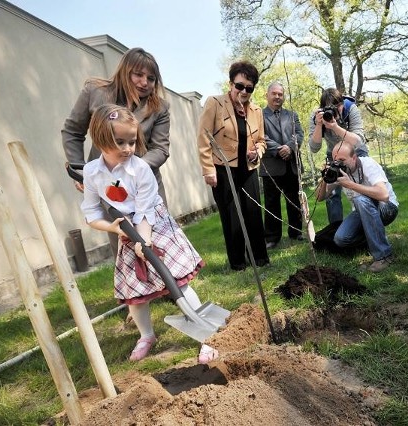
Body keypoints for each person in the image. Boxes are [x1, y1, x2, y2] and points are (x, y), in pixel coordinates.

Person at [81, 104, 217, 364]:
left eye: (131, 142)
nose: (127, 148)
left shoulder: (140, 169)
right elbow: (91, 212)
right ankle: (146, 335)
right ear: (100, 138)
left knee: (176, 281)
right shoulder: (92, 172)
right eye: (119, 142)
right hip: (126, 231)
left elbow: (144, 210)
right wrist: (112, 227)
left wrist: (145, 241)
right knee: (134, 290)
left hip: (154, 225)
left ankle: (205, 334)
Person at [62, 47, 171, 257]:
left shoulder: (160, 107)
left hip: (147, 184)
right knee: (124, 242)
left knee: (157, 242)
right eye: (138, 74)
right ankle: (135, 290)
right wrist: (81, 169)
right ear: (125, 71)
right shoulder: (95, 92)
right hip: (109, 187)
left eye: (151, 77)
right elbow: (72, 131)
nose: (144, 82)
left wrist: (135, 171)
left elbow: (160, 148)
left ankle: (172, 289)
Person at [196, 61, 269, 271]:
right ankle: (238, 263)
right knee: (232, 217)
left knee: (253, 213)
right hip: (223, 169)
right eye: (239, 85)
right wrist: (208, 170)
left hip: (249, 169)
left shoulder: (256, 111)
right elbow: (203, 138)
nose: (244, 91)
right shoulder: (214, 103)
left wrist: (259, 152)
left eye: (249, 88)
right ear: (230, 84)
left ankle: (260, 259)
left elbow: (262, 140)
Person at [316, 141, 398, 273]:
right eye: (335, 160)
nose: (338, 164)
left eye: (342, 160)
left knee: (360, 200)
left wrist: (350, 185)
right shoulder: (339, 171)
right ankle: (372, 240)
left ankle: (384, 255)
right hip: (361, 211)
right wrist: (325, 179)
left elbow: (384, 195)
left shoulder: (368, 164)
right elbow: (320, 197)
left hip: (387, 208)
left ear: (354, 157)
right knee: (341, 239)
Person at [309, 88, 369, 224]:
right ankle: (335, 229)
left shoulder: (350, 109)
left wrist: (335, 127)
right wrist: (319, 125)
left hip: (356, 152)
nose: (334, 111)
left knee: (364, 186)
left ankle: (367, 220)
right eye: (329, 108)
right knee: (332, 192)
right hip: (334, 154)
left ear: (342, 103)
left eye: (337, 106)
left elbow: (358, 141)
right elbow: (314, 148)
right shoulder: (317, 117)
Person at [260, 82, 305, 249]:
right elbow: (260, 136)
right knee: (272, 203)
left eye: (280, 94)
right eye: (274, 93)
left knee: (294, 200)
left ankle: (296, 232)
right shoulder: (259, 115)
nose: (277, 96)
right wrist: (279, 149)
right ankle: (272, 237)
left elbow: (299, 134)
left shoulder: (292, 115)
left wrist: (289, 147)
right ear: (267, 95)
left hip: (292, 165)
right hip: (271, 166)